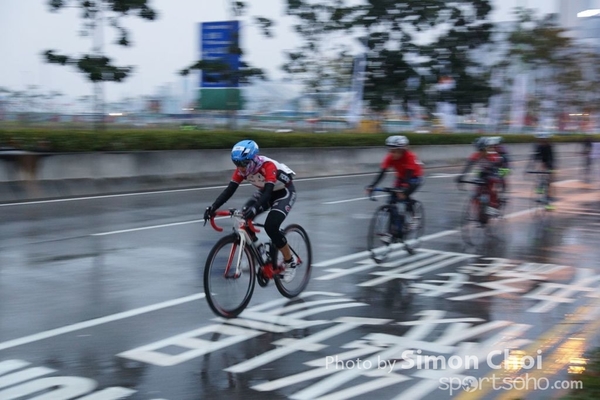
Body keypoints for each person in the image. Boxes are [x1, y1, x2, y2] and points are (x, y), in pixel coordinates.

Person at [203, 140, 298, 281]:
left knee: (271, 226)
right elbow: (229, 190)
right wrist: (213, 207)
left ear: (253, 159)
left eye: (243, 163)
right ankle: (258, 252)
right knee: (244, 216)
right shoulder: (242, 170)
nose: (240, 168)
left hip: (283, 192)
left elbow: (268, 193)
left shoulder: (268, 166)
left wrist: (255, 208)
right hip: (265, 192)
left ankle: (290, 261)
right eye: (236, 163)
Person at [365, 135, 424, 237]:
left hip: (414, 177)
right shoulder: (390, 157)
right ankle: (394, 228)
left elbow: (409, 173)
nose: (392, 154)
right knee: (391, 199)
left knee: (403, 194)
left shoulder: (410, 156)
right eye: (390, 151)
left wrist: (404, 188)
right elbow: (382, 172)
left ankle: (414, 216)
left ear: (402, 150)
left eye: (395, 151)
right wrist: (372, 185)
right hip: (401, 177)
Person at [456, 137, 503, 214]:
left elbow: (497, 168)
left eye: (483, 149)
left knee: (491, 190)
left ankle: (494, 206)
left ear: (487, 148)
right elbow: (468, 166)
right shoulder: (476, 155)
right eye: (479, 150)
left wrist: (497, 178)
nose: (481, 152)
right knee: (476, 192)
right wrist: (461, 177)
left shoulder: (492, 155)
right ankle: (479, 211)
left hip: (493, 172)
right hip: (482, 173)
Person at [526, 132, 556, 206]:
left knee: (549, 181)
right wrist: (529, 168)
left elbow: (551, 158)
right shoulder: (538, 146)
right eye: (540, 140)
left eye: (543, 140)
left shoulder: (549, 146)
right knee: (540, 178)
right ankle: (540, 191)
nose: (541, 142)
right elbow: (533, 157)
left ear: (546, 140)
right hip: (542, 162)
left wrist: (550, 169)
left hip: (549, 163)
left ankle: (548, 196)